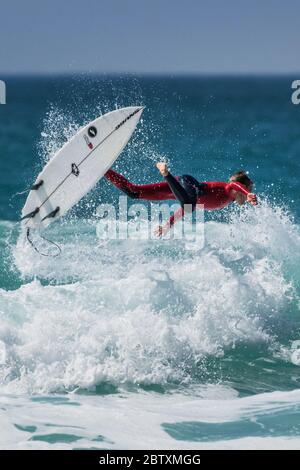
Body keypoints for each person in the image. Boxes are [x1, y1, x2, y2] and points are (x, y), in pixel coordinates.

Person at [105, 163, 258, 236]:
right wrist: (248, 193)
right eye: (248, 192)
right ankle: (165, 173)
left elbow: (186, 209)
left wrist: (167, 225)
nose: (247, 197)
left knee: (133, 192)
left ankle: (105, 171)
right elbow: (235, 184)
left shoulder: (227, 201)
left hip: (180, 190)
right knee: (189, 204)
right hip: (187, 183)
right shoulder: (229, 190)